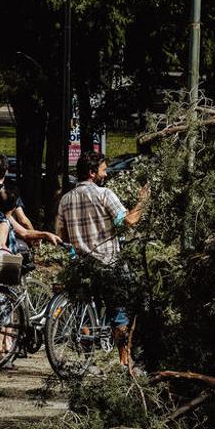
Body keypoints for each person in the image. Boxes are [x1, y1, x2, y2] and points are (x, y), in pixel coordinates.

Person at [57, 151, 149, 367]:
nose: (106, 175)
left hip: (81, 265)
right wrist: (142, 202)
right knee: (121, 309)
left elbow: (61, 235)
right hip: (108, 262)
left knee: (89, 313)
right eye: (103, 170)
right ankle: (124, 361)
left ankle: (87, 360)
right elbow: (129, 221)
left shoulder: (65, 200)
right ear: (92, 173)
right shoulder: (104, 194)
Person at [0, 185, 60, 367]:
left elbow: (24, 232)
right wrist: (12, 255)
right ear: (14, 207)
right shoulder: (1, 223)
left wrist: (46, 234)